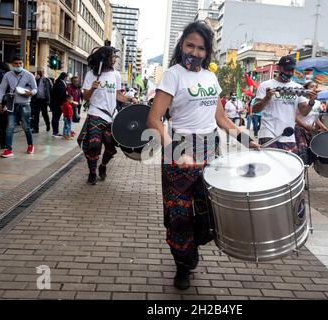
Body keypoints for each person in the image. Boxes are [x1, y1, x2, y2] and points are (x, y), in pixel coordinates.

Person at [146, 21, 258, 291]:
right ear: (181, 45)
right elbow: (153, 120)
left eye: (200, 48)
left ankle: (190, 247)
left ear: (207, 52)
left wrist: (245, 139)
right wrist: (176, 151)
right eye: (190, 46)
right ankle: (183, 265)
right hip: (179, 151)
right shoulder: (172, 75)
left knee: (210, 216)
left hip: (210, 151)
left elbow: (221, 119)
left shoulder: (210, 77)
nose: (194, 52)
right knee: (179, 216)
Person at [81, 46, 134, 185]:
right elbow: (86, 97)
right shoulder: (91, 75)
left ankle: (103, 166)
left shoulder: (115, 74)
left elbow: (117, 95)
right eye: (112, 57)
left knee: (110, 149)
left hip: (112, 117)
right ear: (103, 58)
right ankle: (92, 173)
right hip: (96, 114)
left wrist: (130, 99)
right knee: (93, 146)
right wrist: (92, 88)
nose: (114, 59)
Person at [252, 56, 317, 152]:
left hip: (288, 135)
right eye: (287, 70)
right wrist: (267, 98)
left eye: (292, 70)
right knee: (271, 165)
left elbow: (304, 112)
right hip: (268, 133)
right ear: (279, 68)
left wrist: (311, 102)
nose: (290, 73)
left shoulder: (298, 88)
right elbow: (255, 109)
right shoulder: (265, 85)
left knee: (287, 165)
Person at [0, 56, 37, 158]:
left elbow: (35, 89)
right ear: (12, 64)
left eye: (20, 63)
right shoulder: (7, 75)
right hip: (11, 104)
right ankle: (8, 149)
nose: (18, 65)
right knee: (9, 127)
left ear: (22, 64)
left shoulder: (29, 75)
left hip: (25, 104)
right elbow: (1, 89)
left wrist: (30, 93)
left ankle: (31, 145)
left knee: (26, 127)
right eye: (16, 64)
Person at [295, 81, 327, 165]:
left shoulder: (317, 103)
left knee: (310, 156)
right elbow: (295, 117)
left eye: (316, 87)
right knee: (302, 155)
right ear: (306, 89)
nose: (314, 88)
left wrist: (323, 126)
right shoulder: (301, 100)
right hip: (300, 130)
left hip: (310, 132)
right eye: (312, 86)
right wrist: (305, 126)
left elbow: (315, 117)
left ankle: (304, 173)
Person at [31, 67, 52, 133]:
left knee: (44, 114)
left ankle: (48, 125)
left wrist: (49, 99)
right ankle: (35, 129)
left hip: (44, 100)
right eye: (38, 71)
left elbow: (51, 89)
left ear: (43, 72)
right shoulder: (35, 79)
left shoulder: (47, 80)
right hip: (36, 99)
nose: (39, 72)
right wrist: (35, 79)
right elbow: (32, 87)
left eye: (40, 71)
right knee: (36, 114)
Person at [50, 72, 68, 137]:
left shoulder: (58, 82)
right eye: (66, 77)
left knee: (55, 118)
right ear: (65, 77)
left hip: (55, 103)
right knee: (56, 118)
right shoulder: (60, 84)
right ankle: (55, 132)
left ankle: (55, 131)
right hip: (57, 104)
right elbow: (60, 95)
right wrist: (61, 105)